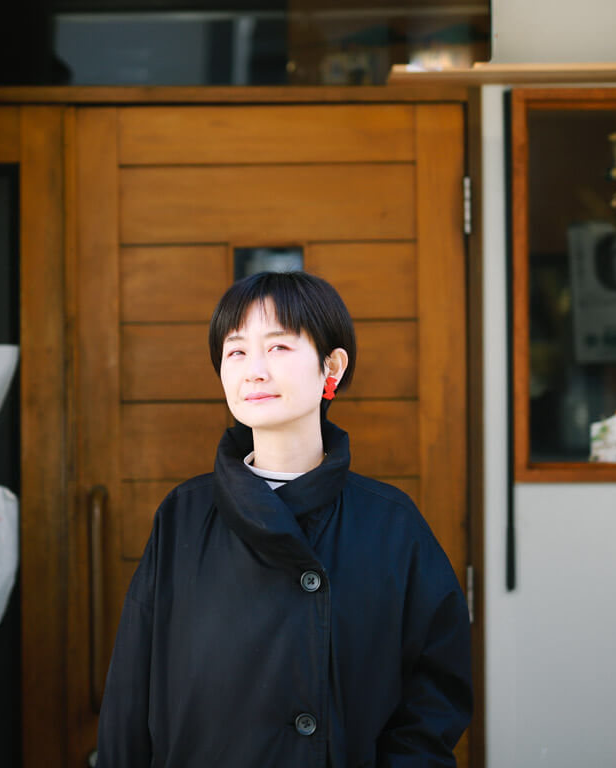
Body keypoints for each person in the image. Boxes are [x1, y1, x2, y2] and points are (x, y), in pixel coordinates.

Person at [97, 271, 472, 767]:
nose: (254, 370)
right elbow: (130, 690)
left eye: (278, 348)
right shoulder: (183, 517)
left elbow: (437, 689)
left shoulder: (391, 524)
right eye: (236, 352)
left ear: (331, 367)